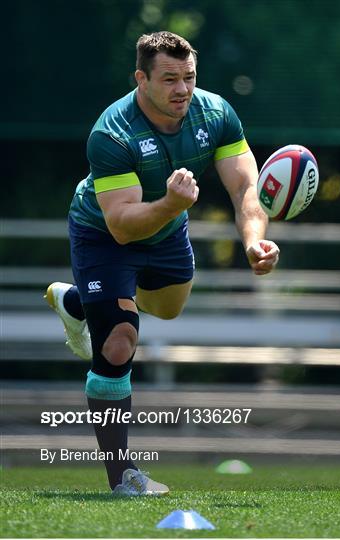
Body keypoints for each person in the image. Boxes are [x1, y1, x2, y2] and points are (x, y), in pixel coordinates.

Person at [45, 31, 280, 496]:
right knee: (118, 342)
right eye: (169, 78)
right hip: (104, 235)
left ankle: (78, 302)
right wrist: (173, 203)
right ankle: (122, 476)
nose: (182, 90)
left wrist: (255, 242)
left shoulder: (215, 114)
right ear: (141, 78)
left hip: (168, 233)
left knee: (169, 308)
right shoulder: (112, 132)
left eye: (189, 77)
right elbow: (123, 227)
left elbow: (244, 187)